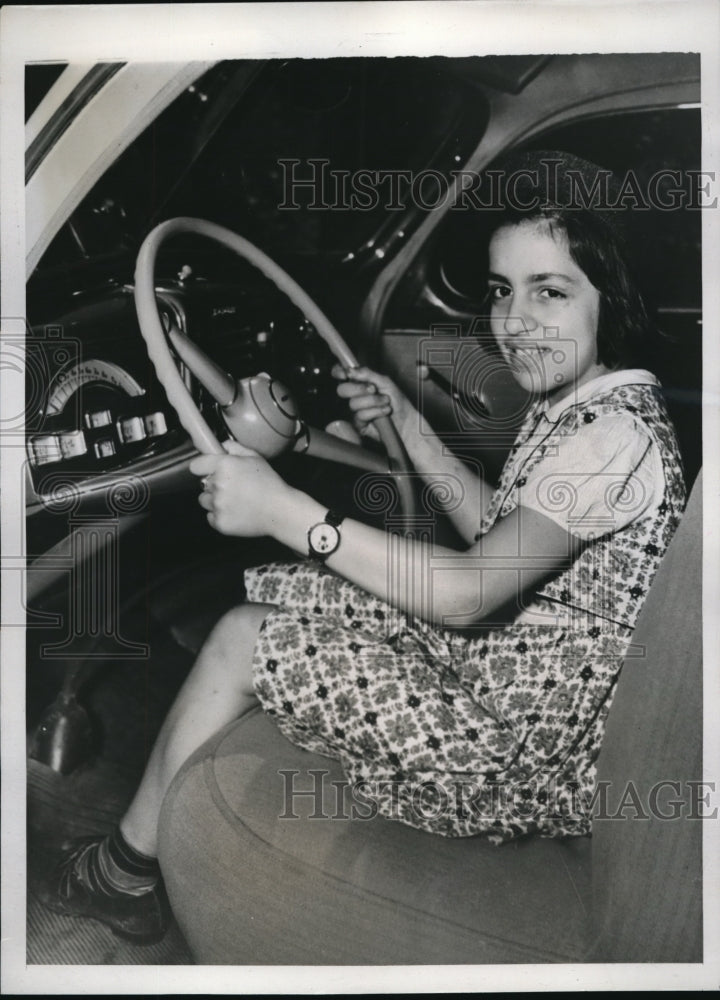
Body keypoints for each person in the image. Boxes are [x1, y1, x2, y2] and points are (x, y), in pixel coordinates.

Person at [38, 151, 687, 944]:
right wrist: (408, 425)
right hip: (512, 680)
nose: (514, 321)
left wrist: (289, 513)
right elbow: (499, 537)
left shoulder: (612, 435)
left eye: (550, 291)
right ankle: (129, 867)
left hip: (506, 753)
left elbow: (469, 592)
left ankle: (123, 878)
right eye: (500, 291)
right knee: (267, 605)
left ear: (608, 297)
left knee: (247, 632)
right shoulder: (594, 405)